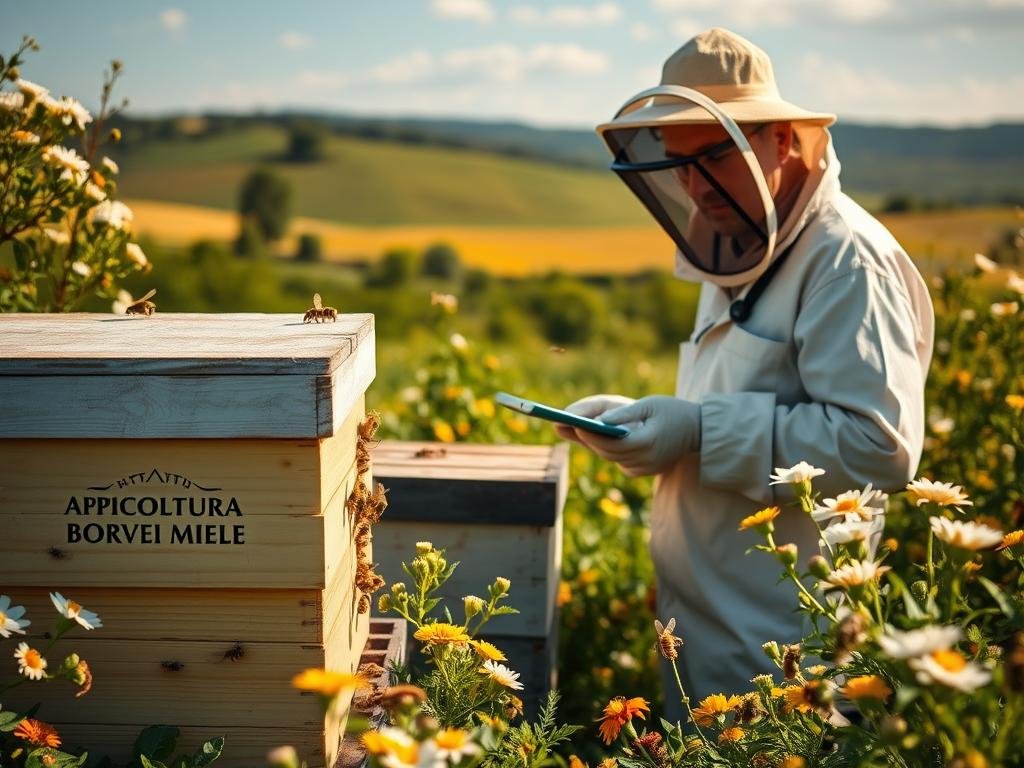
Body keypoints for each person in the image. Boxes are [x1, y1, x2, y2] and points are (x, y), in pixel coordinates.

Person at [555, 27, 934, 716]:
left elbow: (880, 447)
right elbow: (741, 400)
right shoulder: (735, 242)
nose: (695, 187)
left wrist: (698, 433)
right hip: (705, 634)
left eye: (714, 157)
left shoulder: (845, 261)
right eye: (678, 164)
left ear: (781, 140)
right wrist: (647, 423)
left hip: (789, 650)